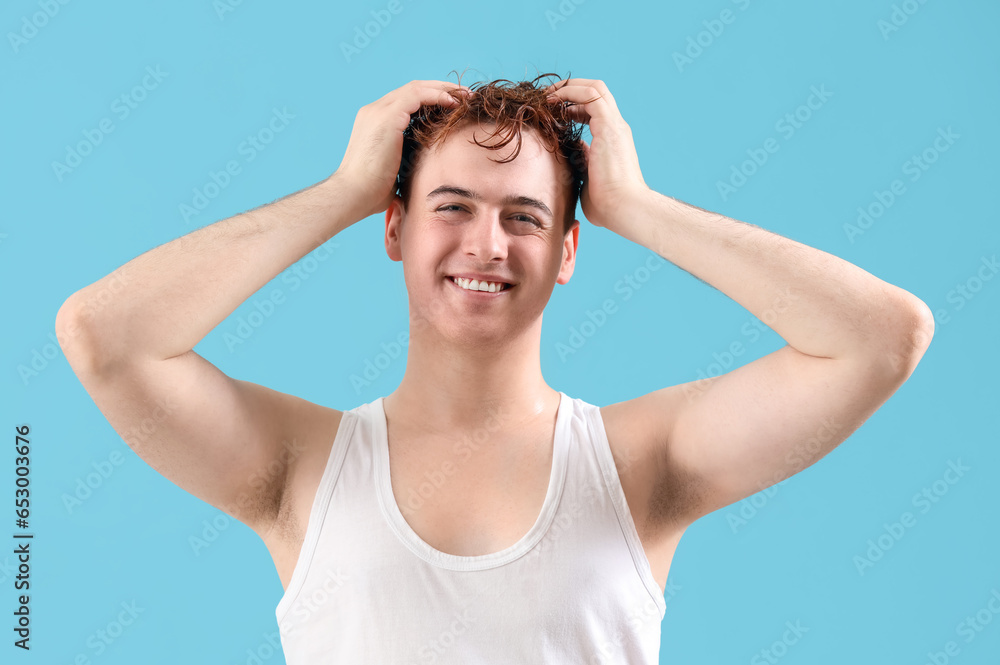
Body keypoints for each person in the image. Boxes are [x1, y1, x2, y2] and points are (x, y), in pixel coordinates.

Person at [55, 73, 934, 663]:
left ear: (566, 251)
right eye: (451, 206)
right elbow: (103, 335)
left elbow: (883, 337)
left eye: (524, 216)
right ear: (394, 228)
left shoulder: (643, 463)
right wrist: (341, 192)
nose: (486, 243)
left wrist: (638, 205)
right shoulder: (299, 466)